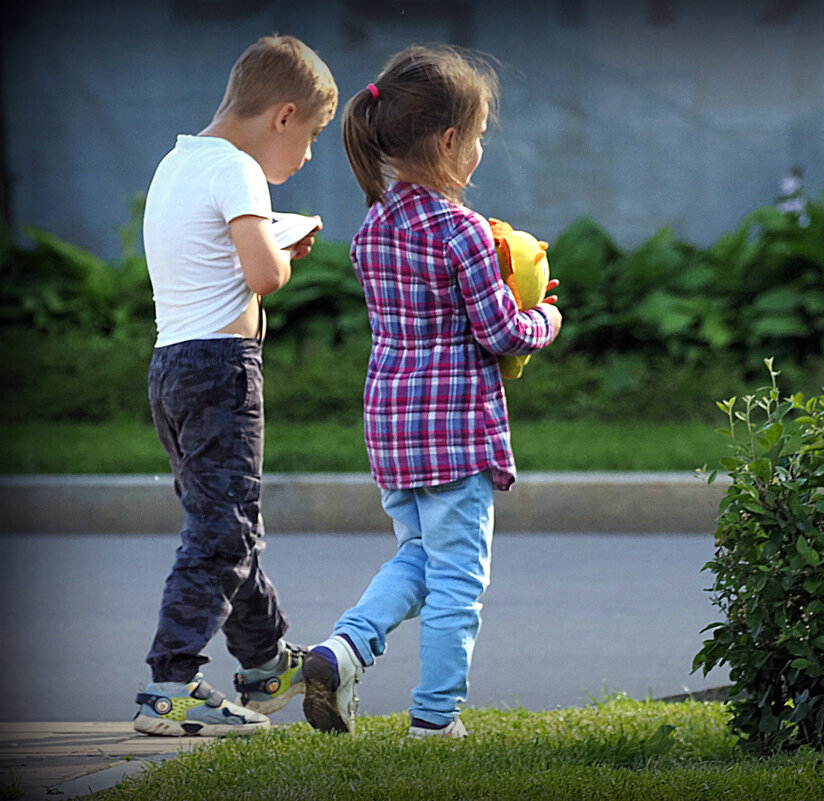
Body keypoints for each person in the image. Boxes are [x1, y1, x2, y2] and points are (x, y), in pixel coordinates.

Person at [302, 44, 562, 738]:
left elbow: (424, 313)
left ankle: (344, 647)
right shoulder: (465, 231)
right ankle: (435, 718)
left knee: (419, 557)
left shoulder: (373, 227)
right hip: (453, 433)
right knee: (457, 582)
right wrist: (546, 317)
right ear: (450, 141)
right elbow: (500, 332)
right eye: (476, 136)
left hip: (393, 425)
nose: (478, 148)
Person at [133, 35, 338, 737]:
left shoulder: (178, 162)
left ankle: (264, 663)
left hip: (171, 366)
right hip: (221, 369)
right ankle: (171, 682)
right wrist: (282, 245)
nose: (307, 156)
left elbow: (208, 256)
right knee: (220, 532)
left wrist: (265, 238)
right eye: (310, 136)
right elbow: (264, 277)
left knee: (227, 526)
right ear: (283, 115)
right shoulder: (239, 171)